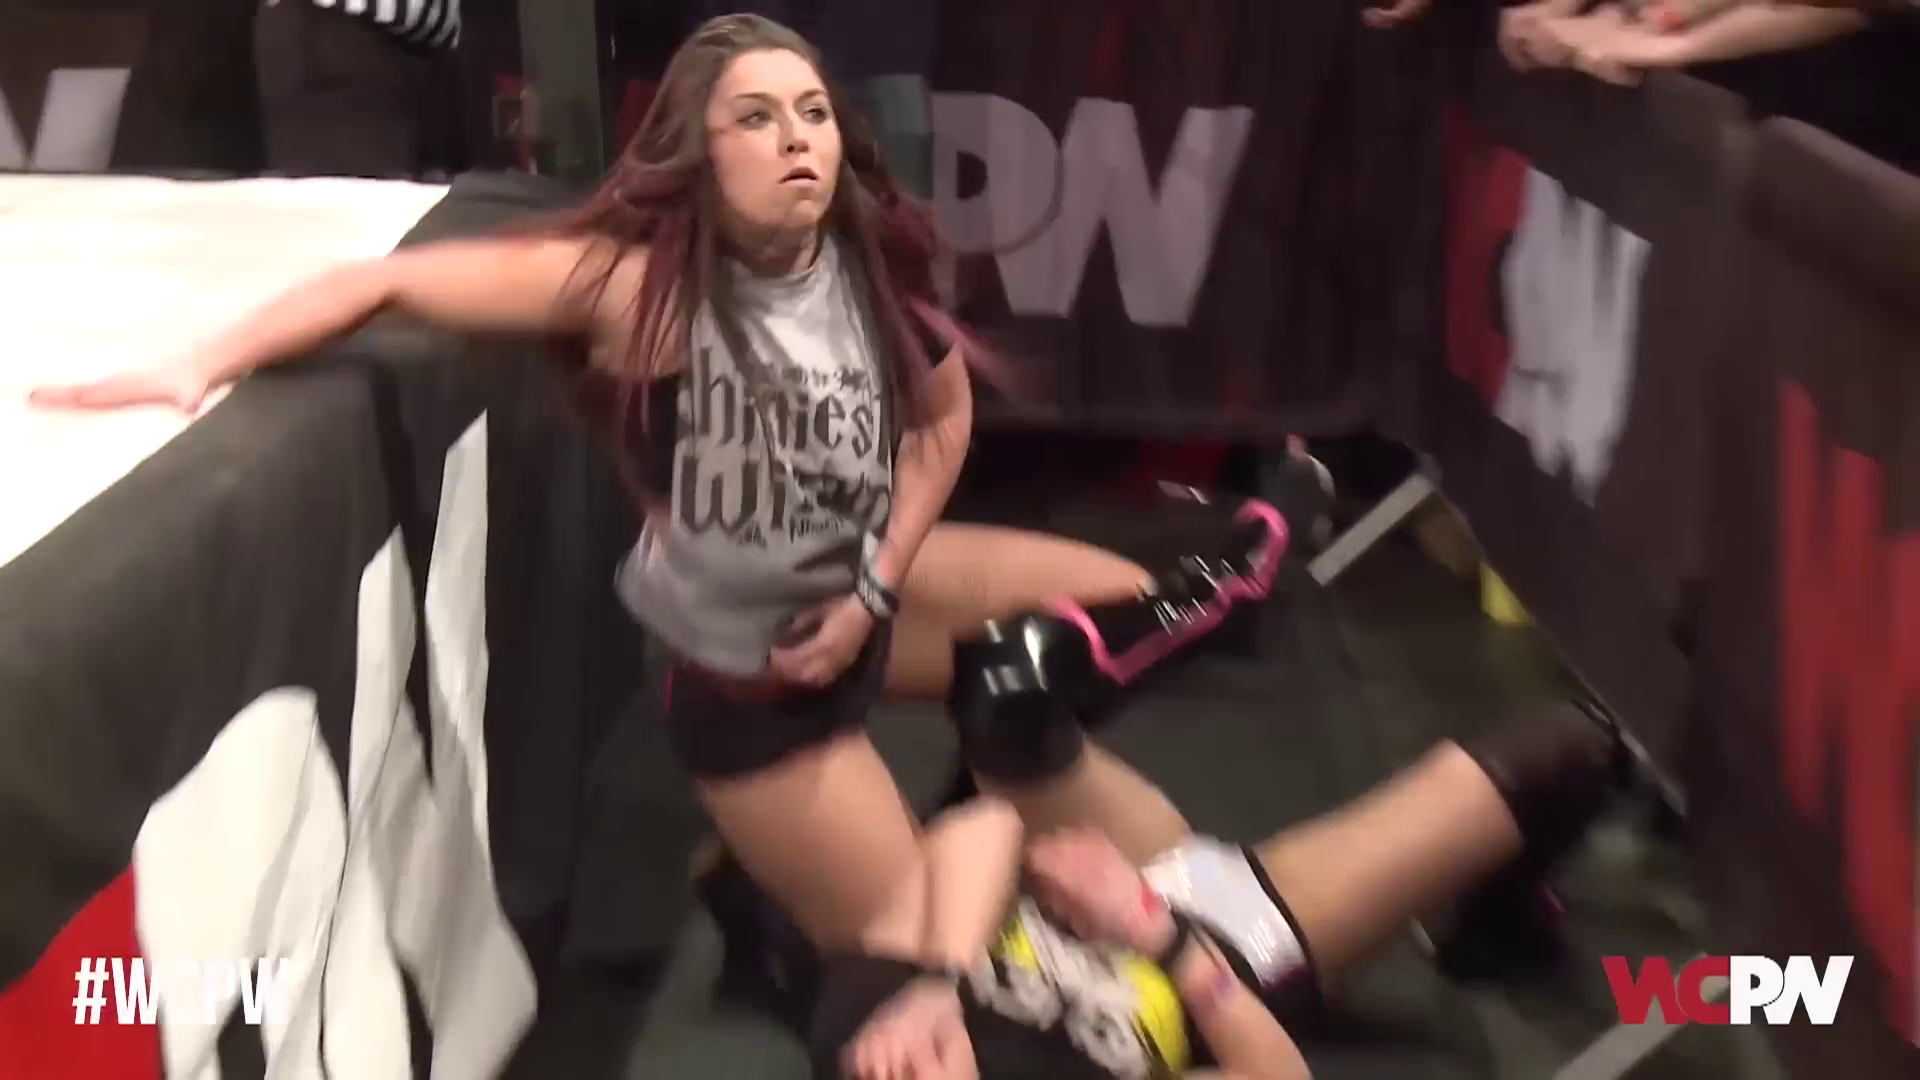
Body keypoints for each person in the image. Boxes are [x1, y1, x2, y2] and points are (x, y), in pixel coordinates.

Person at [27, 12, 1310, 996]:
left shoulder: (864, 269)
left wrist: (877, 582)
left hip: (860, 607)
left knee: (1108, 611)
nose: (798, 138)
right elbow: (389, 286)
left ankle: (915, 831)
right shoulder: (635, 293)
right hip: (760, 691)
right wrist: (202, 360)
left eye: (813, 112)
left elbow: (942, 424)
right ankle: (810, 918)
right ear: (701, 152)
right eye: (758, 117)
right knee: (932, 983)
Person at [813, 698, 1630, 1080]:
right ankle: (1494, 923)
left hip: (1105, 872)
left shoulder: (871, 1028)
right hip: (1235, 933)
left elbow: (981, 829)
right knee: (1568, 748)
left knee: (1006, 688)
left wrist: (937, 983)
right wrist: (1158, 934)